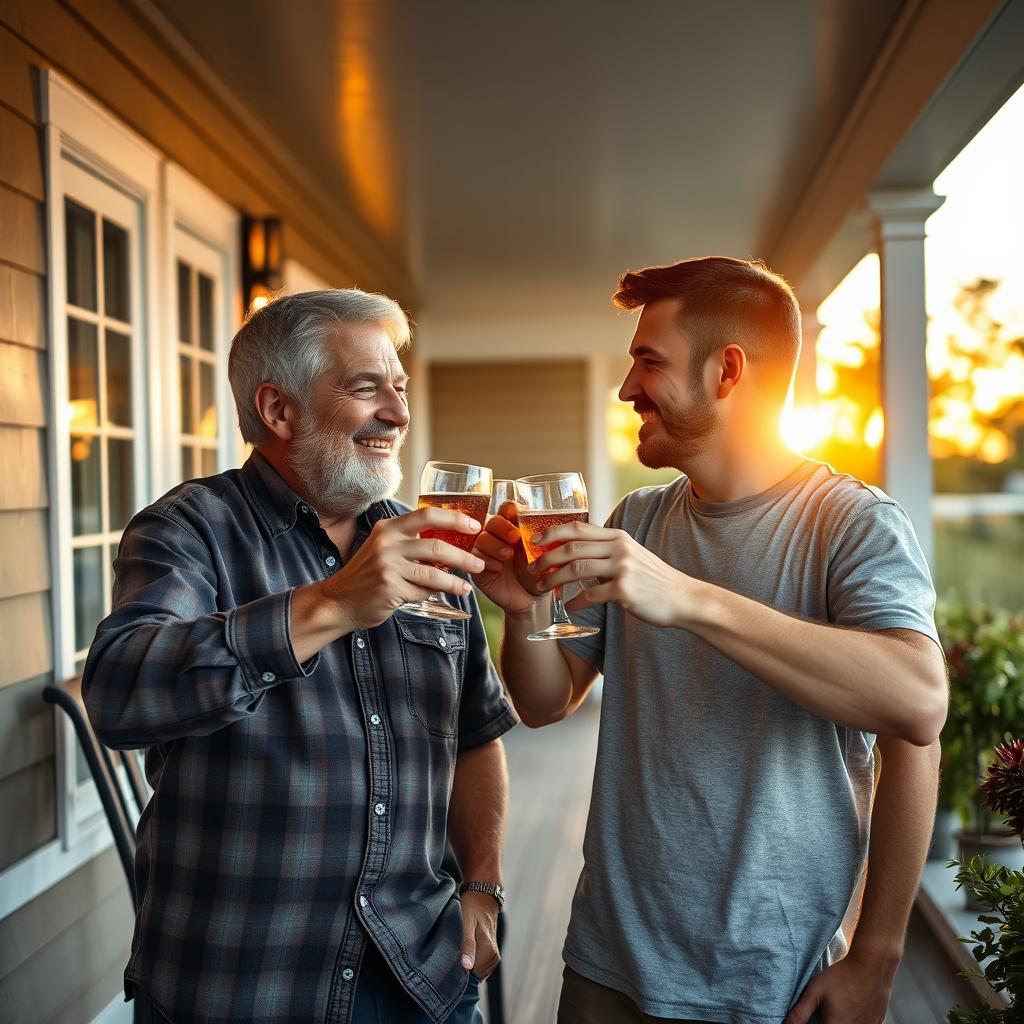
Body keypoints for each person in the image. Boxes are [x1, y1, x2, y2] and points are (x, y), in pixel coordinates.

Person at [473, 257, 947, 1024]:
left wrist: (875, 960)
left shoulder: (852, 525)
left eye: (648, 362)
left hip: (771, 981)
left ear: (727, 372)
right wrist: (522, 609)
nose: (626, 390)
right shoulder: (637, 520)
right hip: (606, 962)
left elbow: (918, 705)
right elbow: (544, 700)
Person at [83, 290, 516, 1024]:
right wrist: (332, 605)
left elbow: (476, 731)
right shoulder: (188, 529)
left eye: (400, 389)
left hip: (418, 975)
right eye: (366, 388)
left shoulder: (427, 544)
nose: (399, 414)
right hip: (241, 983)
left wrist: (484, 885)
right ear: (279, 412)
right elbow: (120, 692)